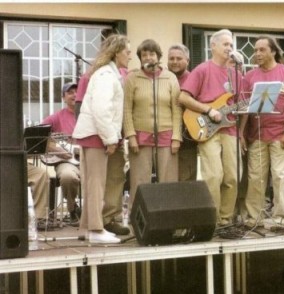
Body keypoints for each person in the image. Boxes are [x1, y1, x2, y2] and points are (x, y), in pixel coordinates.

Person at [178, 29, 243, 226]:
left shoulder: (236, 74)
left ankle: (225, 218)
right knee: (214, 174)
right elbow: (183, 97)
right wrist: (207, 110)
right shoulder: (202, 70)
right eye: (225, 44)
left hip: (230, 128)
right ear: (212, 46)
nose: (229, 48)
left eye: (231, 45)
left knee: (232, 175)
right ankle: (211, 218)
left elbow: (240, 104)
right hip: (207, 128)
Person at [240, 35, 284, 227]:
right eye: (256, 50)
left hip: (280, 133)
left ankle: (281, 218)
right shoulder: (250, 76)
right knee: (255, 177)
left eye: (262, 50)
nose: (257, 54)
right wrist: (241, 134)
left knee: (280, 175)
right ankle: (254, 218)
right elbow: (245, 107)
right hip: (256, 134)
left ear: (273, 51)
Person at [72, 34, 131, 244]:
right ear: (116, 52)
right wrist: (110, 138)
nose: (130, 55)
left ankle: (88, 228)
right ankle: (96, 229)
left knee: (92, 183)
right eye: (127, 51)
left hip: (93, 134)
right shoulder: (106, 75)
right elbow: (101, 109)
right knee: (96, 184)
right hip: (97, 134)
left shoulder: (106, 73)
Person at [123, 39, 182, 205]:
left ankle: (168, 223)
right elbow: (126, 109)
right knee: (139, 182)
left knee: (168, 181)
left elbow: (177, 109)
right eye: (144, 55)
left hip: (167, 136)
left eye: (152, 54)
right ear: (140, 58)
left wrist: (177, 136)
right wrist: (131, 135)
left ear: (158, 56)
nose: (148, 57)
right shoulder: (132, 78)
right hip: (140, 136)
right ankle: (139, 223)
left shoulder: (170, 78)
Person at [41, 82, 81, 226]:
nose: (75, 94)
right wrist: (57, 149)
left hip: (89, 159)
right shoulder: (56, 117)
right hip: (66, 162)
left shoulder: (88, 116)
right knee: (67, 176)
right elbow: (37, 137)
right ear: (63, 97)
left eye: (77, 91)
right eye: (70, 92)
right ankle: (72, 211)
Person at [167, 44, 197, 182]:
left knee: (186, 177)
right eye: (171, 58)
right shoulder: (162, 79)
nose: (174, 61)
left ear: (188, 61)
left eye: (179, 58)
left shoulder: (194, 79)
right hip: (165, 135)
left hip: (187, 137)